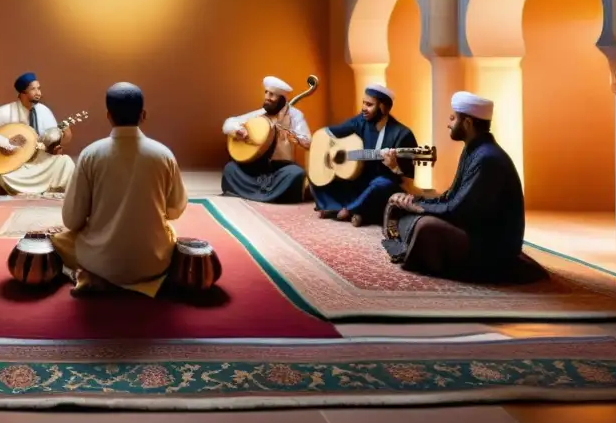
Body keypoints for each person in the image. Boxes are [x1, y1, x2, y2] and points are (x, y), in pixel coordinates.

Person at [51, 82, 188, 297]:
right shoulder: (163, 155)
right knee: (171, 234)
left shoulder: (90, 154)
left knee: (59, 238)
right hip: (153, 263)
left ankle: (92, 278)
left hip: (99, 262)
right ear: (143, 115)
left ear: (108, 115)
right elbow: (175, 210)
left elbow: (72, 220)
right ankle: (145, 284)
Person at [382, 92, 533, 283]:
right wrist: (415, 201)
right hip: (473, 227)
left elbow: (458, 209)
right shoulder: (473, 149)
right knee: (406, 210)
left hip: (492, 246)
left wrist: (418, 208)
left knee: (426, 226)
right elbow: (450, 197)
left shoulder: (487, 158)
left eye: (453, 118)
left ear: (468, 123)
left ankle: (425, 253)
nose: (449, 123)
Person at [310, 83, 417, 227]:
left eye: (369, 105)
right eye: (363, 103)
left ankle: (349, 209)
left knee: (381, 184)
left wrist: (394, 166)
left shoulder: (402, 134)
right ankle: (358, 211)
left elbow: (409, 177)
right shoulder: (360, 121)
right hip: (358, 182)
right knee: (318, 172)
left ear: (383, 108)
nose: (363, 108)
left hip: (380, 188)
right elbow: (331, 132)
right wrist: (327, 150)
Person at [0, 72, 75, 195]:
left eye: (39, 88)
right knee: (2, 175)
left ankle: (49, 192)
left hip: (40, 162)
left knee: (65, 162)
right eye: (33, 89)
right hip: (17, 167)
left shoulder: (44, 111)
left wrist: (61, 139)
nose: (38, 93)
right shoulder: (5, 112)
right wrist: (4, 143)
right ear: (22, 93)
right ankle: (33, 191)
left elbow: (51, 139)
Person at [221, 76, 311, 203]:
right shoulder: (260, 114)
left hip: (281, 168)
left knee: (296, 174)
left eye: (272, 95)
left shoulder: (295, 116)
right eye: (266, 93)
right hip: (257, 166)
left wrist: (293, 135)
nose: (267, 97)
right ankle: (271, 194)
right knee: (230, 168)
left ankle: (259, 192)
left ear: (282, 99)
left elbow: (308, 142)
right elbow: (229, 123)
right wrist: (239, 131)